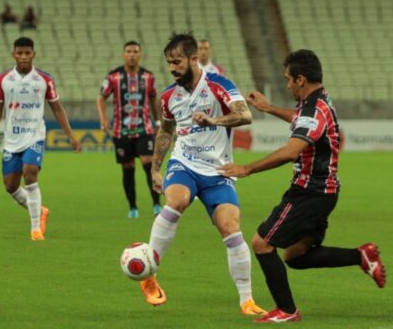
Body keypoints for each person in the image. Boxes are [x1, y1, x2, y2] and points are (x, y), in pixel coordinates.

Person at [218, 49, 387, 323]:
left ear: (300, 79)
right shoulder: (318, 100)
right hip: (324, 191)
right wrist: (270, 108)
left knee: (262, 243)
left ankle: (286, 311)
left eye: (288, 79)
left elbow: (290, 152)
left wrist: (246, 168)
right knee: (295, 256)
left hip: (311, 191)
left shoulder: (313, 107)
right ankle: (361, 256)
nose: (286, 85)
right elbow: (301, 119)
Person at [139, 32, 266, 316]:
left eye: (177, 62)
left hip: (218, 170)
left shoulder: (219, 84)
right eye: (169, 63)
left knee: (231, 229)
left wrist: (214, 119)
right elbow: (166, 130)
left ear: (194, 59)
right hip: (183, 163)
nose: (172, 68)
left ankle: (247, 301)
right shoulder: (169, 96)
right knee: (176, 201)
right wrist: (155, 168)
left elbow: (245, 115)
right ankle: (149, 273)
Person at [0, 37, 81, 241]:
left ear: (33, 54)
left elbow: (57, 108)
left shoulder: (44, 80)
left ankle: (35, 229)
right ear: (14, 54)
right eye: (19, 53)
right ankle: (40, 210)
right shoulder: (3, 80)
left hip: (35, 136)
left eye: (27, 53)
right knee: (10, 185)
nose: (23, 57)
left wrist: (70, 135)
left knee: (30, 172)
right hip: (12, 139)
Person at [97, 41, 161, 218]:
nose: (132, 54)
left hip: (144, 128)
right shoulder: (113, 77)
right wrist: (103, 119)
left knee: (148, 162)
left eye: (135, 51)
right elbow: (101, 98)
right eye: (129, 51)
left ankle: (156, 204)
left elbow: (153, 98)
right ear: (123, 55)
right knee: (128, 166)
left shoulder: (148, 77)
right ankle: (133, 207)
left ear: (140, 55)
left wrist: (158, 120)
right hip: (121, 130)